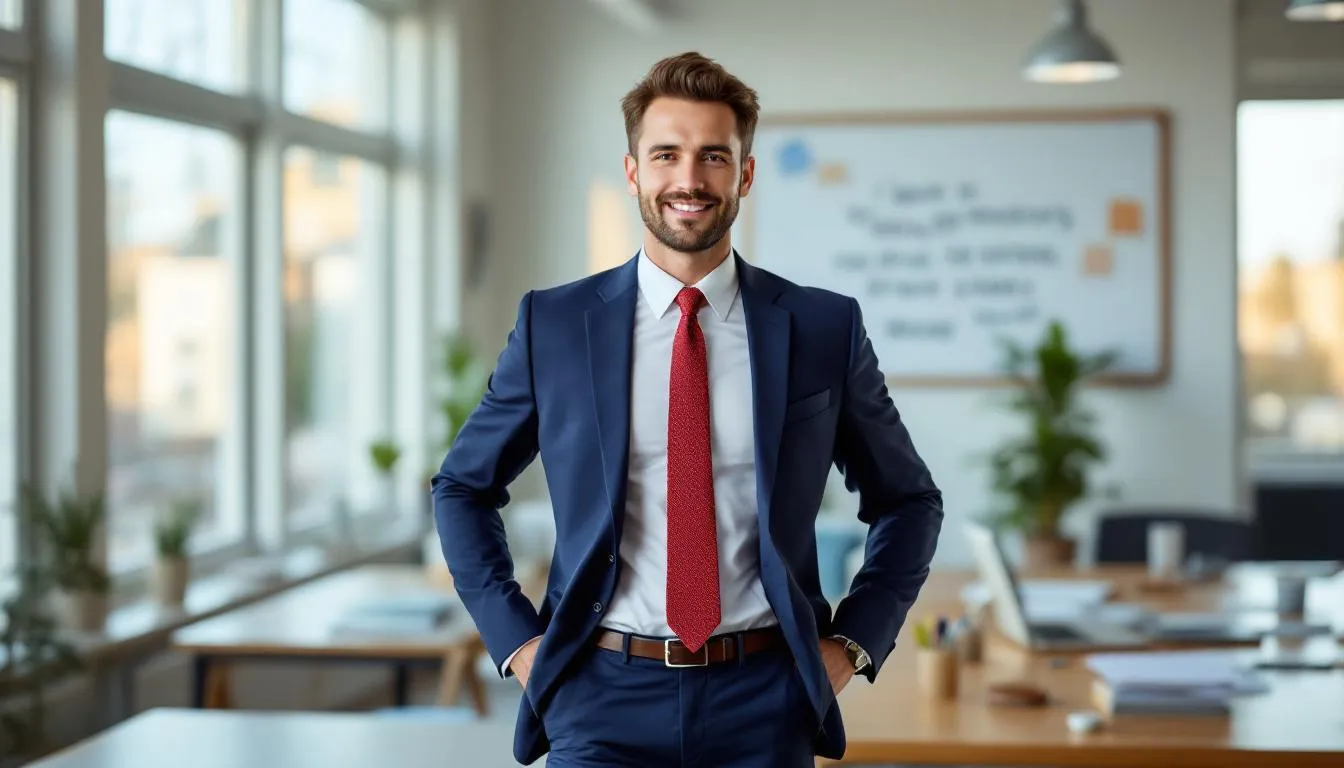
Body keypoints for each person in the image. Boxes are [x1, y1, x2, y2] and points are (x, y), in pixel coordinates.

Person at [432, 51, 943, 767]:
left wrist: (853, 641)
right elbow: (462, 486)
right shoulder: (556, 326)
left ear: (746, 174)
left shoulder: (823, 328)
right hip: (598, 699)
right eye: (666, 154)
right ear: (633, 171)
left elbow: (909, 501)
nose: (689, 179)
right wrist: (518, 643)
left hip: (766, 699)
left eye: (713, 156)